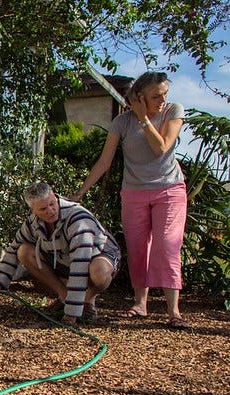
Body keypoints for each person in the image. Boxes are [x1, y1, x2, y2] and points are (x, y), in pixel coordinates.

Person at [70, 71, 190, 330]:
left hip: (169, 190)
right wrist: (80, 192)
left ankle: (173, 310)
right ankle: (140, 304)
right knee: (137, 248)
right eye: (155, 96)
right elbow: (105, 162)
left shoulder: (173, 111)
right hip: (133, 192)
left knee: (167, 245)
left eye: (164, 94)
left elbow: (161, 148)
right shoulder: (122, 122)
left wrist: (144, 118)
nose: (162, 99)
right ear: (139, 96)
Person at [0, 182, 121, 325]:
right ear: (32, 210)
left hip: (98, 255)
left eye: (52, 204)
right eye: (43, 208)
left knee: (99, 271)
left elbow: (80, 264)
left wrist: (71, 313)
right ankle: (64, 296)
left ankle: (88, 300)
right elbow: (14, 248)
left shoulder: (78, 220)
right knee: (24, 251)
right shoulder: (32, 223)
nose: (50, 211)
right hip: (67, 258)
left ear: (55, 197)